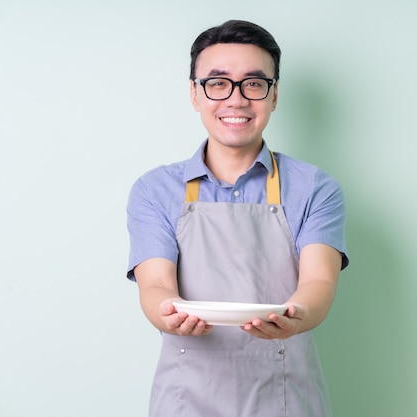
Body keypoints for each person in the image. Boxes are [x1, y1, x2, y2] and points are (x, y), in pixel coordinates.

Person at [126, 19, 349, 417]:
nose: (236, 99)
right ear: (195, 94)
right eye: (217, 83)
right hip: (185, 401)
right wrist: (168, 311)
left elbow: (318, 281)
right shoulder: (154, 190)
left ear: (274, 94)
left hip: (286, 400)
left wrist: (296, 316)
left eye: (254, 83)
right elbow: (156, 285)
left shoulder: (315, 188)